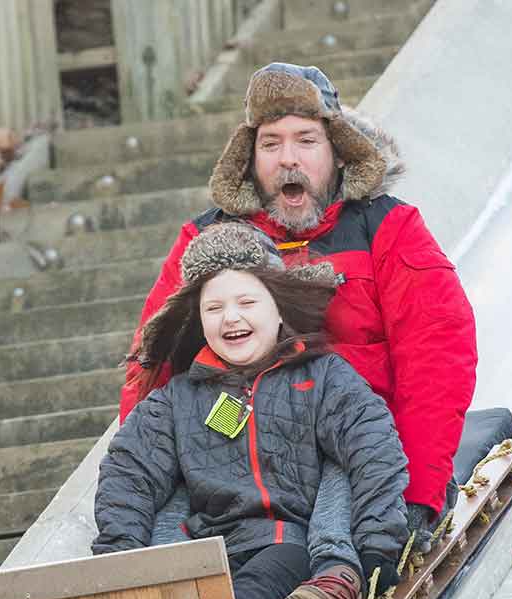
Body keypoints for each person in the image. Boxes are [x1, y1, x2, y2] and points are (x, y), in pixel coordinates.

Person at [120, 62, 477, 558]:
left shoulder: (387, 228)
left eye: (306, 140)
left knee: (336, 540)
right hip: (231, 462)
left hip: (351, 454)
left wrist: (416, 492)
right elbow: (152, 363)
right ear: (249, 157)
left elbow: (436, 357)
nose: (288, 159)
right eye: (270, 144)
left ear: (336, 151)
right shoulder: (205, 241)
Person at [93, 223, 409, 599]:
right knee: (198, 588)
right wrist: (120, 558)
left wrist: (380, 537)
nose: (230, 318)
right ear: (199, 322)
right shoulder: (178, 400)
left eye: (246, 302)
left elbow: (372, 444)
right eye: (214, 308)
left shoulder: (320, 377)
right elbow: (129, 471)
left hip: (287, 541)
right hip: (210, 546)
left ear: (278, 309)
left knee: (260, 584)